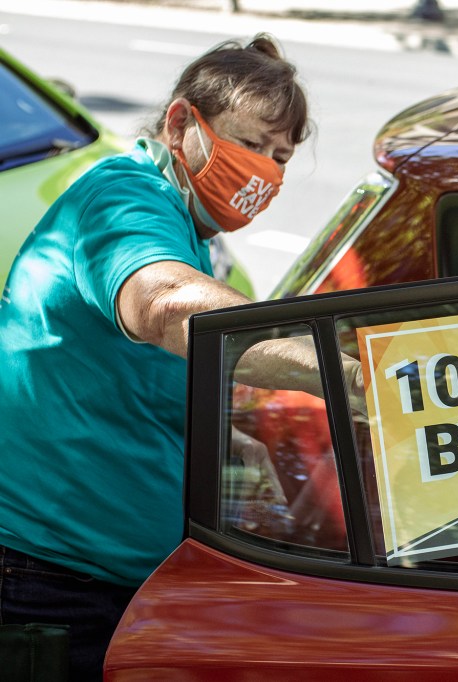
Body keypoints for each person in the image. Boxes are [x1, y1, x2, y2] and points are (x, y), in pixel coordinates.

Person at [0, 34, 331, 680]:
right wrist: (337, 371)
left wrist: (225, 441)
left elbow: (124, 375)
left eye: (280, 157)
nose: (264, 171)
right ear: (180, 124)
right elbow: (163, 304)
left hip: (110, 581)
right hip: (52, 585)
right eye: (250, 144)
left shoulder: (187, 223)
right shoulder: (123, 199)